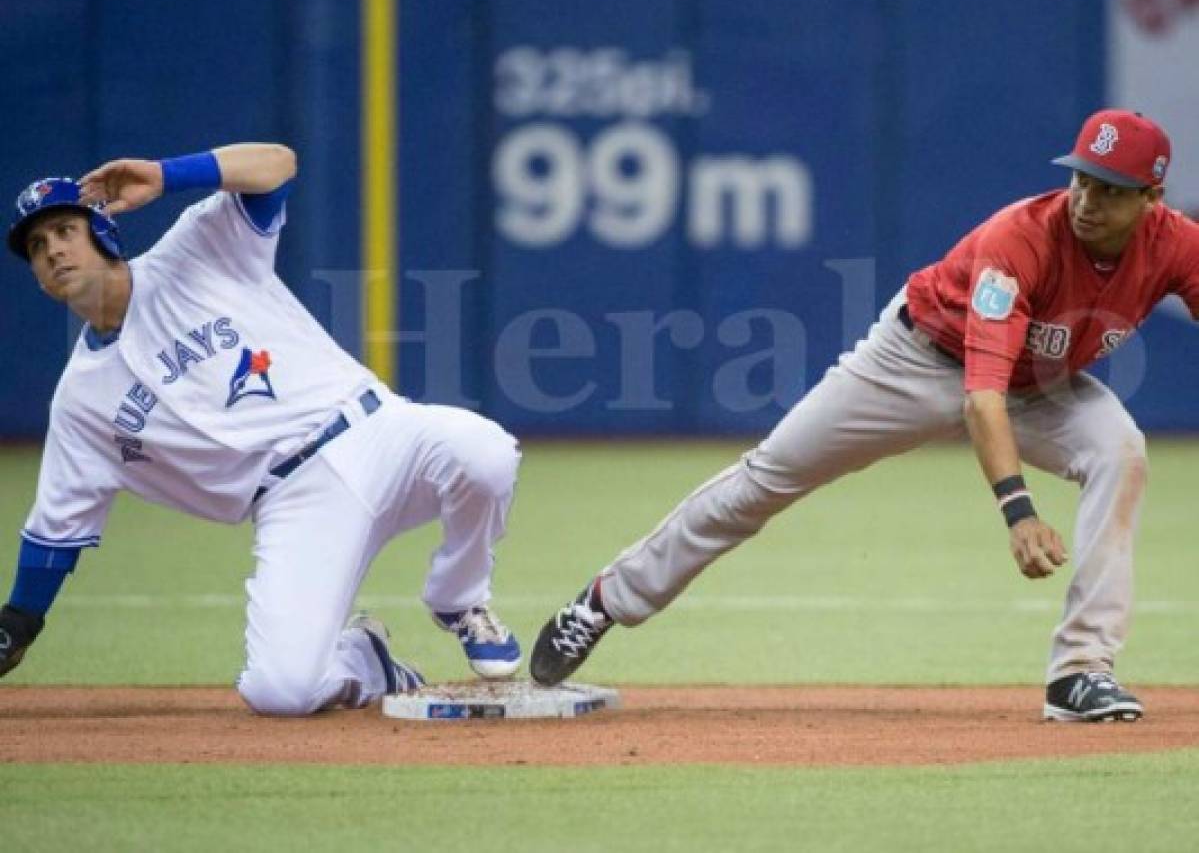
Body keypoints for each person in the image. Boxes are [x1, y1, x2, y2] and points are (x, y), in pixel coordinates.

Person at [531, 109, 1196, 722]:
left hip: (1041, 387)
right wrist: (1017, 510)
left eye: (1109, 189)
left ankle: (1078, 672)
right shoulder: (1021, 238)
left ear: (1151, 200)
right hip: (913, 362)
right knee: (767, 478)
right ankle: (603, 601)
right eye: (1081, 179)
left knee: (1119, 451)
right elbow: (979, 395)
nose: (1085, 199)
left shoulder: (1175, 246)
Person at [0, 144, 524, 716]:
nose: (52, 250)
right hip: (296, 504)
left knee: (486, 452)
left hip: (376, 432)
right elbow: (54, 531)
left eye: (65, 230)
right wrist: (18, 624)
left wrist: (166, 176)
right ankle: (368, 663)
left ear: (100, 231)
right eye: (36, 246)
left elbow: (277, 163)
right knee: (281, 691)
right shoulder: (81, 403)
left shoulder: (193, 251)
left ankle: (459, 598)